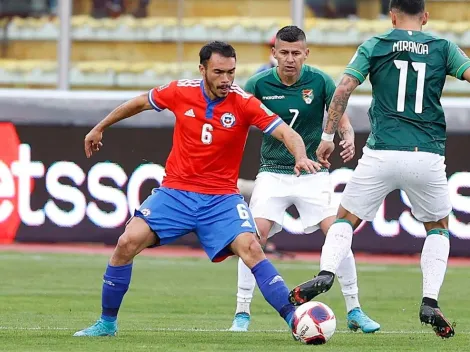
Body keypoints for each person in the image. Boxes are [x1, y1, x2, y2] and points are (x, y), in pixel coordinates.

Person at [73, 41, 321, 338]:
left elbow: (287, 132)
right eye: (218, 72)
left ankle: (297, 321)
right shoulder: (181, 91)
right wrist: (100, 127)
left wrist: (301, 155)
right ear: (202, 69)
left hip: (221, 198)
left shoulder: (244, 102)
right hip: (176, 192)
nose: (226, 80)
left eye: (231, 72)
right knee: (127, 242)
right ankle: (106, 323)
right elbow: (140, 102)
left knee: (252, 248)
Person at [289, 0, 470, 339]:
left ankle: (327, 273)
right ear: (426, 17)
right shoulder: (443, 47)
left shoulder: (376, 44)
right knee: (438, 228)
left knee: (345, 220)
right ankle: (430, 300)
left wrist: (328, 136)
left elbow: (343, 88)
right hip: (426, 153)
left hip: (382, 151)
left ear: (392, 15)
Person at [229, 26, 380, 334]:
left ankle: (354, 309)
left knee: (338, 234)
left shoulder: (321, 80)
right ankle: (242, 312)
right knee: (253, 238)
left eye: (296, 53)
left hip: (313, 173)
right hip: (273, 171)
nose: (290, 59)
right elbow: (236, 121)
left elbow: (339, 115)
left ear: (306, 54)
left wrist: (347, 136)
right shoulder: (257, 83)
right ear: (273, 54)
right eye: (283, 53)